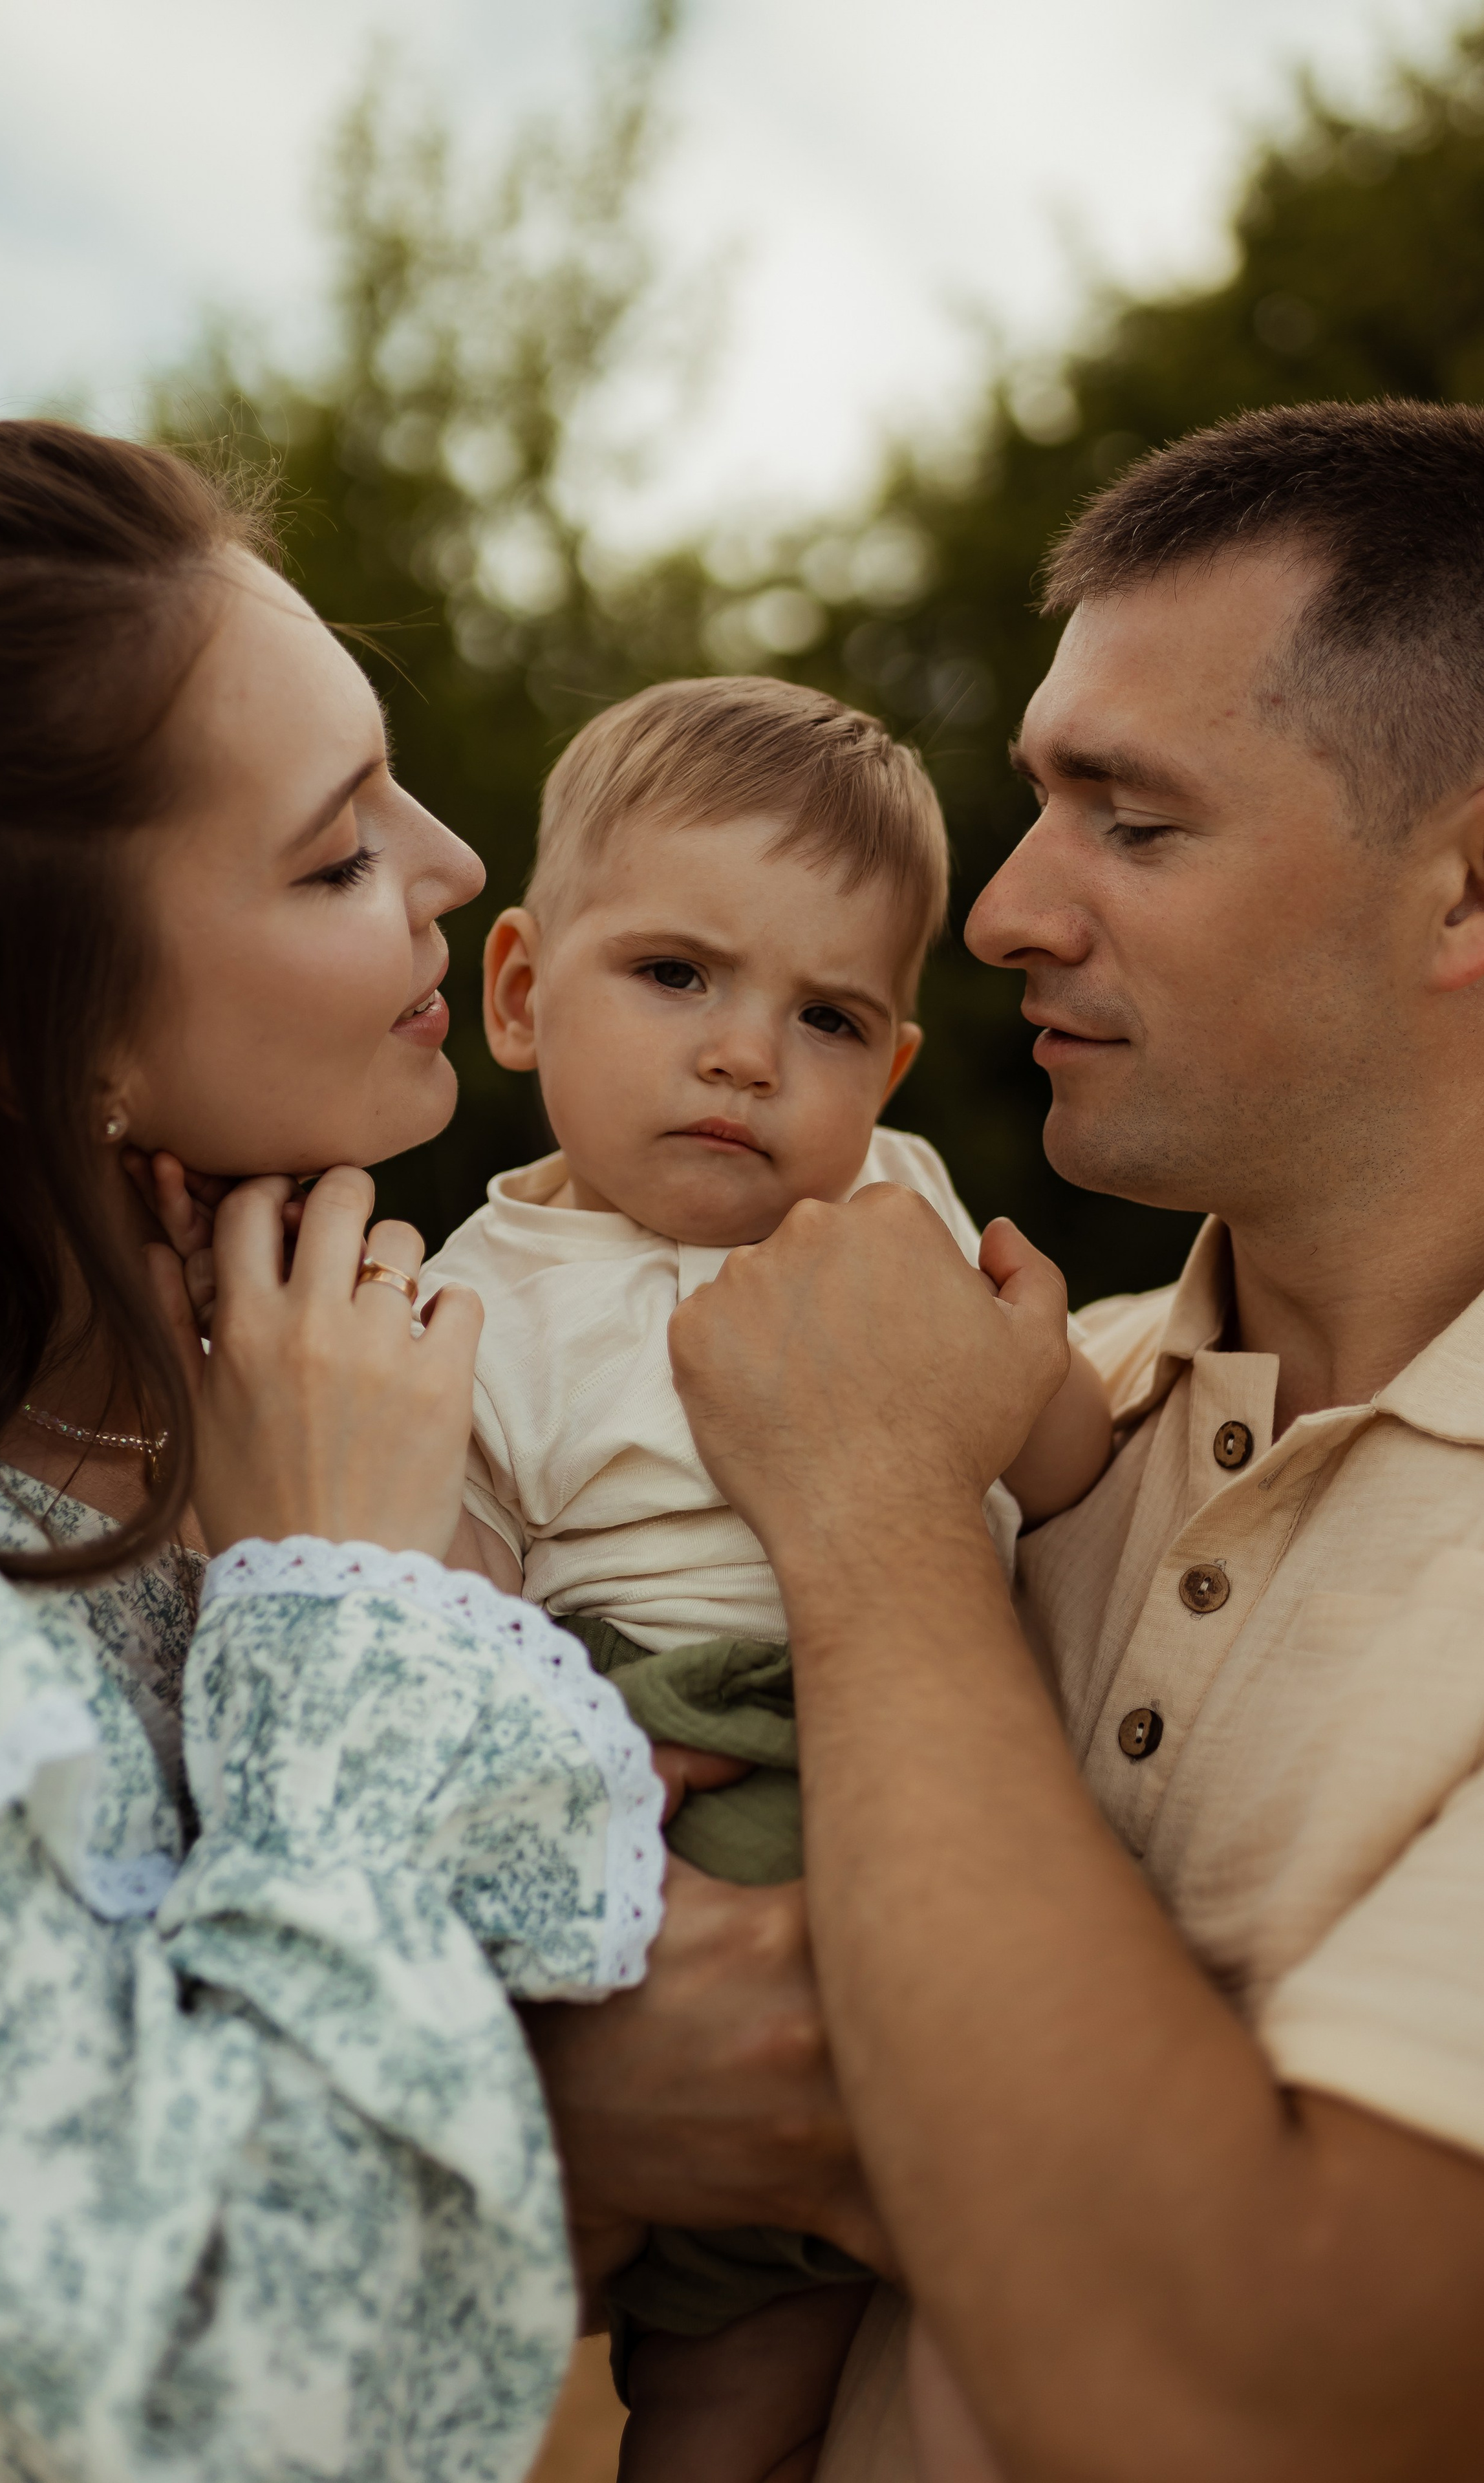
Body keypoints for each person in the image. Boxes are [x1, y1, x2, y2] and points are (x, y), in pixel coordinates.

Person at [584, 394, 1484, 2480]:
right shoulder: (994, 1386)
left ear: (1464, 892)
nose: (997, 916)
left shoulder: (884, 1451)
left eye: (1133, 822)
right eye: (1034, 808)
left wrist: (885, 1526)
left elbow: (1239, 2396)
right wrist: (587, 2078)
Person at [0, 418, 673, 2483]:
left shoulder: (353, 1404)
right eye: (339, 853)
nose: (462, 866)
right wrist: (340, 1611)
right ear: (43, 1043)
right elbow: (217, 2418)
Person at [420, 674, 1110, 2481]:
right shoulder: (477, 1298)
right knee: (712, 2347)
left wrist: (1041, 1375)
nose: (747, 1055)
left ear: (885, 1070)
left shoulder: (898, 1211)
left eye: (826, 1016)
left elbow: (1063, 1473)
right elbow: (448, 1587)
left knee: (824, 2352)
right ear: (517, 992)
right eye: (676, 977)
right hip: (654, 1748)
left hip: (919, 1724)